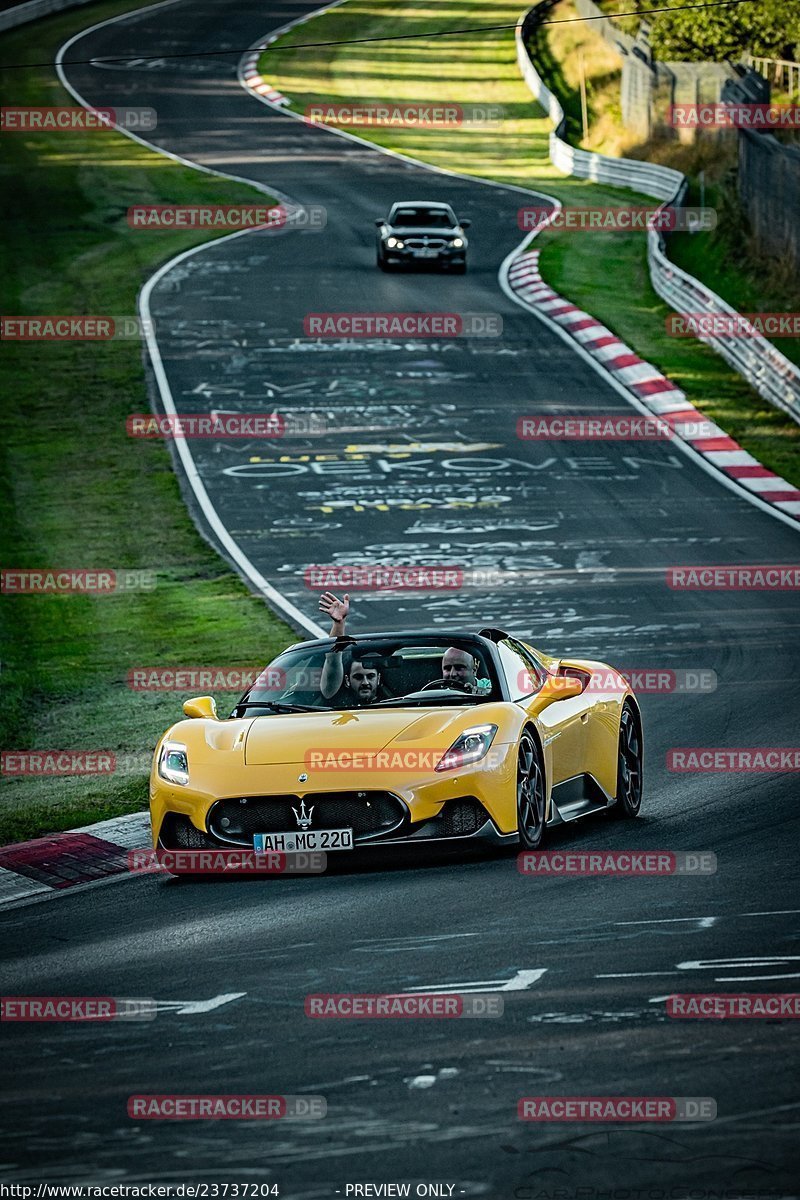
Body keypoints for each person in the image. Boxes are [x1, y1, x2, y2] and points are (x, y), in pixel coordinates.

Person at [318, 592, 382, 706]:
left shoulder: (399, 701)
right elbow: (333, 660)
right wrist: (339, 624)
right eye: (358, 677)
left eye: (371, 676)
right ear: (347, 680)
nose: (365, 683)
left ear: (378, 679)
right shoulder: (340, 703)